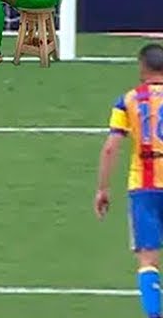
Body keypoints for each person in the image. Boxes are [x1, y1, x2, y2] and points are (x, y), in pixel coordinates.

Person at [95, 44, 163, 318]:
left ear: (142, 68)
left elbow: (111, 148)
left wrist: (102, 189)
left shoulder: (128, 100)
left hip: (143, 189)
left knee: (147, 261)